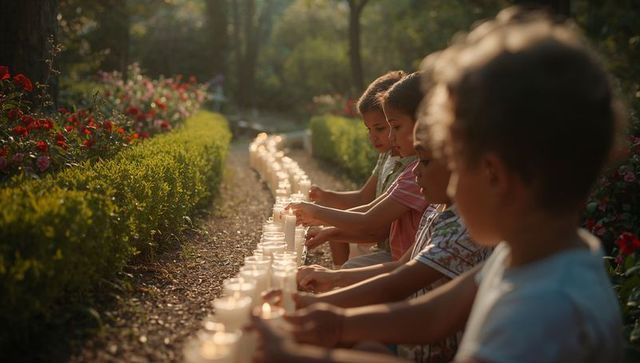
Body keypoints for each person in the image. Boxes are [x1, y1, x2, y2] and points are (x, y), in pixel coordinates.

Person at [254, 6, 625, 362]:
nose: (446, 185)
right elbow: (432, 316)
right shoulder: (533, 253)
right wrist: (335, 325)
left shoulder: (545, 308)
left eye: (453, 164)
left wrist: (301, 356)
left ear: (493, 175)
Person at [290, 73, 430, 265]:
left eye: (388, 127)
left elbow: (373, 223)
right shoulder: (399, 163)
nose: (386, 137)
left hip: (395, 251)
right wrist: (321, 206)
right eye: (369, 129)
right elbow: (368, 204)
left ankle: (334, 283)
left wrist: (318, 215)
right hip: (396, 252)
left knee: (351, 265)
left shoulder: (415, 171)